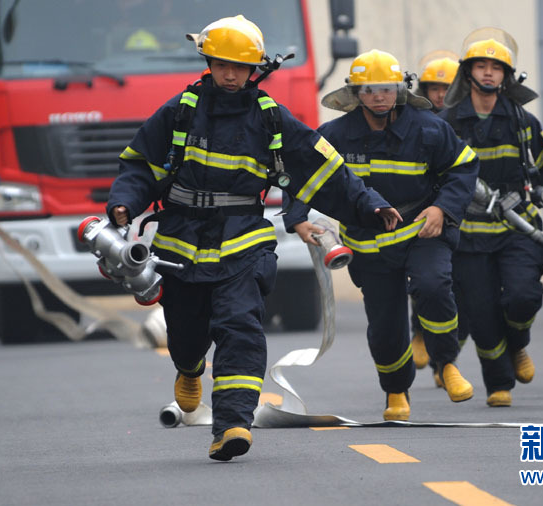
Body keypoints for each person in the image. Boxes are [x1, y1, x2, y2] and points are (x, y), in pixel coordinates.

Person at [106, 16, 400, 461]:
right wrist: (124, 203)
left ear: (255, 69)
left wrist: (370, 205)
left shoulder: (270, 117)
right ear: (208, 63)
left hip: (243, 239)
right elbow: (139, 164)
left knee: (240, 326)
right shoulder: (180, 110)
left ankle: (232, 424)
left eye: (240, 67)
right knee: (186, 333)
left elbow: (325, 169)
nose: (230, 75)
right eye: (223, 65)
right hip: (181, 240)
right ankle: (189, 369)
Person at [283, 49, 479, 422]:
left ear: (400, 89)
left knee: (434, 286)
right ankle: (396, 391)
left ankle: (447, 363)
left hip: (422, 231)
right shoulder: (335, 135)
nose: (379, 97)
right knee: (386, 324)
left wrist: (442, 209)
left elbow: (464, 166)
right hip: (368, 243)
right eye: (370, 89)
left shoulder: (429, 129)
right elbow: (303, 173)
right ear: (356, 93)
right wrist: (298, 219)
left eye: (386, 88)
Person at [442, 28, 543, 407]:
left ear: (507, 76)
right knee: (482, 314)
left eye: (496, 67)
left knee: (523, 296)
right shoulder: (446, 124)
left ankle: (518, 343)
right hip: (468, 235)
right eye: (481, 66)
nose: (488, 73)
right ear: (467, 72)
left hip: (520, 227)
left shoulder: (523, 122)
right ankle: (499, 384)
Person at [409, 49, 461, 380]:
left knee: (461, 292)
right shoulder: (417, 122)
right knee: (429, 282)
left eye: (447, 88)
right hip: (430, 214)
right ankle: (419, 331)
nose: (440, 95)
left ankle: (446, 364)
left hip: (470, 215)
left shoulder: (468, 120)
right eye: (434, 88)